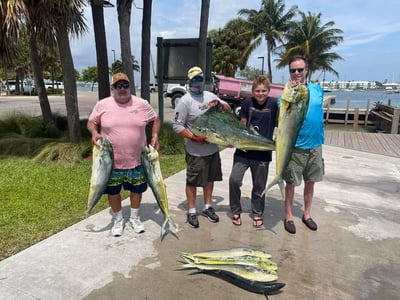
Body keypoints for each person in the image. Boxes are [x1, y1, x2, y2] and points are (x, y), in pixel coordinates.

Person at [87, 72, 160, 237]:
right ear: (112, 88)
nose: (122, 89)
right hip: (110, 163)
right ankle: (118, 219)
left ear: (130, 87)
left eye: (125, 85)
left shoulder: (142, 104)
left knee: (137, 190)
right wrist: (94, 132)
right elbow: (92, 122)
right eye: (118, 86)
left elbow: (155, 119)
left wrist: (155, 135)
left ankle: (134, 217)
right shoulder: (102, 104)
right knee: (113, 191)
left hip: (137, 160)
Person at [172, 66, 231, 228]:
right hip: (195, 150)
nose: (197, 82)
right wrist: (193, 138)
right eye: (194, 79)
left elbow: (228, 108)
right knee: (192, 181)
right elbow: (176, 125)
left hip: (212, 149)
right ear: (189, 82)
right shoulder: (185, 101)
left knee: (210, 179)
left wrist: (219, 104)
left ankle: (207, 206)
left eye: (200, 79)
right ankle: (191, 211)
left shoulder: (210, 95)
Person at [283, 55, 324, 234]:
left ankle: (307, 214)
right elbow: (282, 110)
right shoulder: (286, 92)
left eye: (300, 69)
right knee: (291, 183)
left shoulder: (317, 90)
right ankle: (289, 215)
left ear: (307, 70)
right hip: (296, 146)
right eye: (293, 70)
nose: (297, 73)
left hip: (315, 145)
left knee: (311, 182)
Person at [229, 75, 278, 228]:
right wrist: (233, 140)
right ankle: (236, 210)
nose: (261, 94)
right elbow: (242, 126)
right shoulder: (246, 103)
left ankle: (257, 213)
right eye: (257, 91)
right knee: (234, 180)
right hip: (243, 151)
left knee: (259, 186)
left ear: (269, 91)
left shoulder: (274, 104)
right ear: (253, 91)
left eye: (264, 91)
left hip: (262, 153)